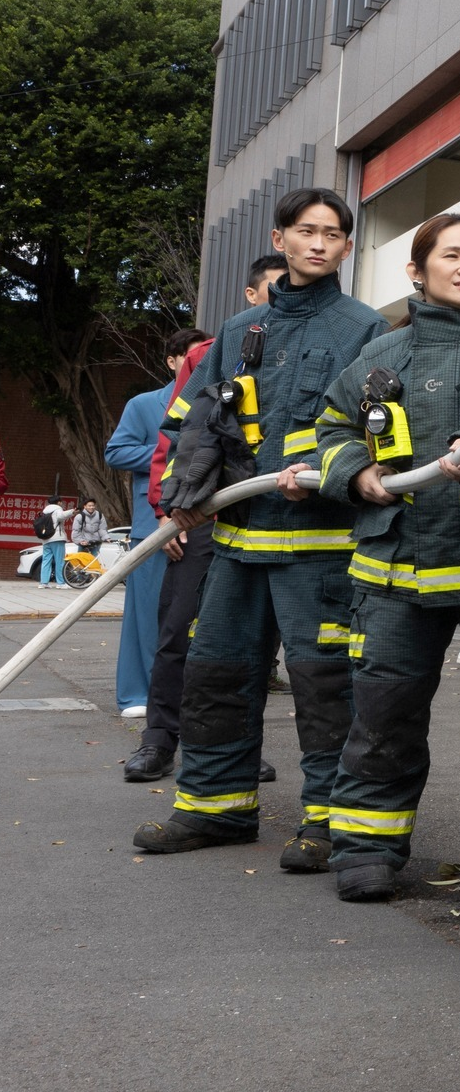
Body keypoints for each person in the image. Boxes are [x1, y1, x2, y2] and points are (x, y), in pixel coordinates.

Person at [134, 188, 387, 872]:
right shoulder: (241, 332)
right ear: (281, 239)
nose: (318, 243)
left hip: (321, 549)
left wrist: (323, 470)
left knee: (324, 685)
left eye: (331, 234)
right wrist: (181, 497)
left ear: (347, 248)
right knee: (214, 673)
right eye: (306, 231)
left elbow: (378, 432)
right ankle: (215, 808)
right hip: (238, 543)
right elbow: (192, 422)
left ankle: (330, 821)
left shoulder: (365, 330)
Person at [315, 212, 460, 903]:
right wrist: (355, 473)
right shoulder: (375, 359)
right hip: (395, 570)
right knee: (382, 714)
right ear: (416, 272)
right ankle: (367, 846)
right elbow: (329, 430)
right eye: (451, 255)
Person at [125, 262, 287, 783]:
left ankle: (235, 745)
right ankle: (158, 740)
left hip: (269, 517)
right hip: (200, 515)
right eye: (274, 287)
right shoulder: (210, 353)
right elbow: (175, 435)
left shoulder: (315, 351)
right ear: (250, 294)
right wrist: (166, 512)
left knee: (252, 642)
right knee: (177, 631)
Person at [106, 352, 185, 716]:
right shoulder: (144, 404)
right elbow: (116, 452)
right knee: (145, 610)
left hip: (202, 519)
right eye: (188, 355)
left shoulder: (217, 399)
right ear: (171, 361)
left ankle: (181, 695)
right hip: (149, 522)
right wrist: (169, 454)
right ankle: (136, 694)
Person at [35, 497, 75, 588]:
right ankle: (60, 583)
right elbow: (61, 516)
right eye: (61, 502)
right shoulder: (57, 509)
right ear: (59, 502)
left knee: (46, 560)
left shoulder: (45, 511)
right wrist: (72, 511)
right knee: (59, 561)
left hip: (46, 539)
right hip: (56, 538)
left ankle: (43, 583)